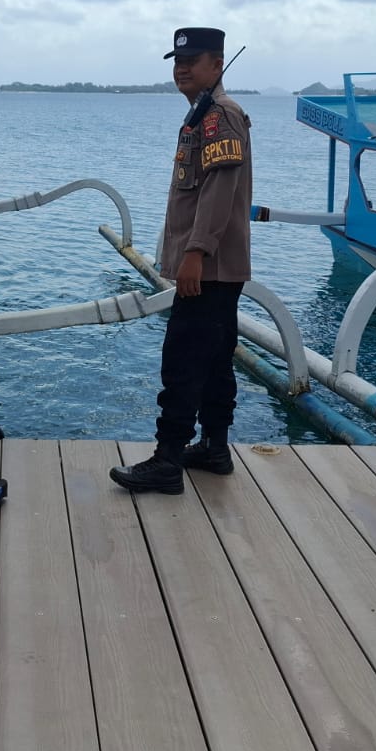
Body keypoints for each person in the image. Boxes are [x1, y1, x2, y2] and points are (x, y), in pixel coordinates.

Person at [111, 26, 253, 494]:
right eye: (177, 61)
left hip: (209, 268)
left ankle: (168, 460)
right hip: (212, 268)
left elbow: (219, 189)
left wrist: (195, 253)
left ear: (218, 64)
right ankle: (214, 448)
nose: (182, 69)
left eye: (193, 61)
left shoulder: (221, 116)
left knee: (183, 362)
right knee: (214, 362)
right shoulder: (203, 114)